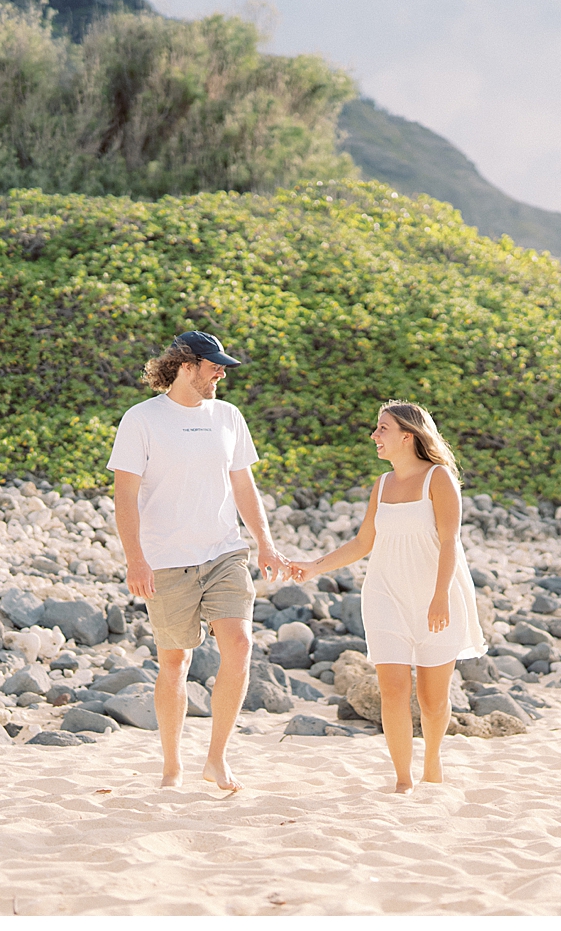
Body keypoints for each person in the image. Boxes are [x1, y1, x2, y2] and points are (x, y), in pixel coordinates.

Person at [108, 331, 290, 792]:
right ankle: (172, 765)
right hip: (167, 560)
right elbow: (124, 496)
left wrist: (265, 544)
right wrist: (136, 560)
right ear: (185, 366)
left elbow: (244, 486)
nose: (221, 373)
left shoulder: (228, 416)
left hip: (224, 551)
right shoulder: (142, 419)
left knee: (240, 645)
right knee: (174, 663)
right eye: (214, 366)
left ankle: (216, 759)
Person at [290, 400, 486, 793]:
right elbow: (364, 542)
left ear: (407, 436)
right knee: (393, 690)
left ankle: (432, 763)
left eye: (382, 428)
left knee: (432, 700)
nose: (374, 435)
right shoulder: (382, 485)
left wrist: (440, 596)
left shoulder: (439, 478)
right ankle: (402, 780)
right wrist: (315, 566)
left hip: (435, 595)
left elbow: (450, 542)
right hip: (385, 594)